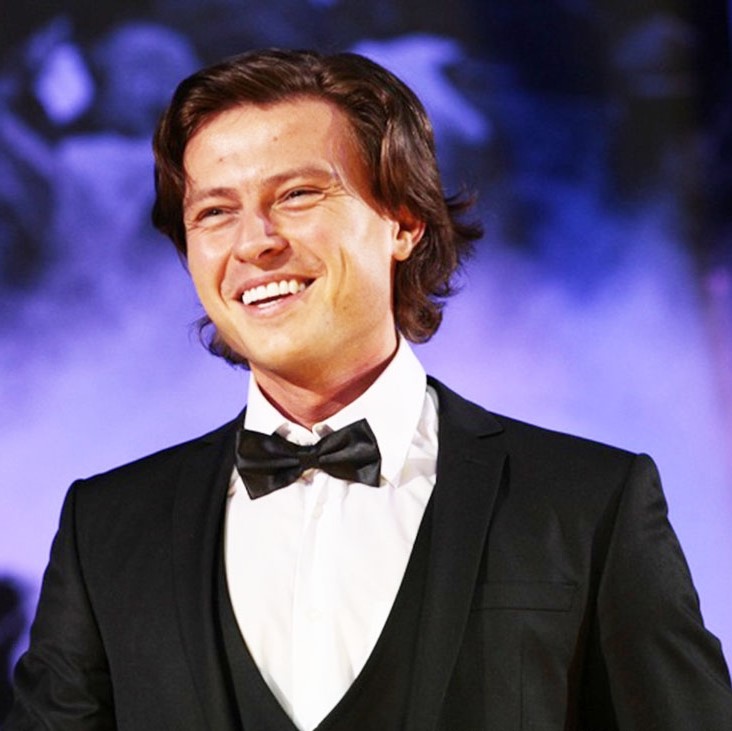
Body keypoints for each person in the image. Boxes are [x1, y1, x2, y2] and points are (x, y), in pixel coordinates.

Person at [5, 48, 732, 731]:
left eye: (297, 195)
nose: (254, 241)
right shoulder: (105, 529)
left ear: (404, 222)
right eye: (215, 212)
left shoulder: (590, 502)